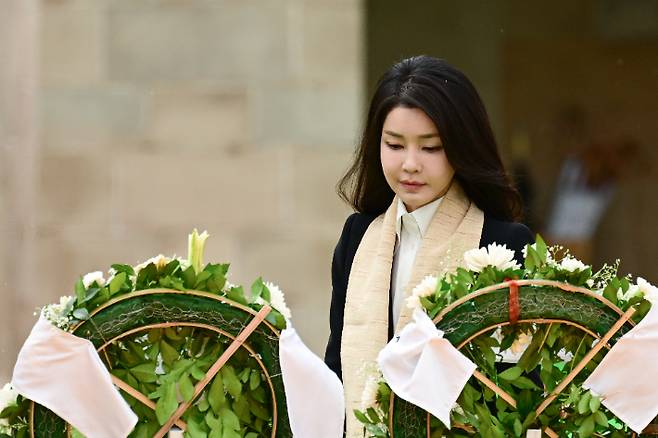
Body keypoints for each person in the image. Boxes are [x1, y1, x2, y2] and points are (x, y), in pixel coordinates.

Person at [323, 55, 534, 436]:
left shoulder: (505, 243)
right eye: (395, 144)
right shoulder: (357, 236)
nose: (410, 164)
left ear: (462, 146)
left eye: (430, 147)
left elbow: (520, 382)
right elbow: (337, 365)